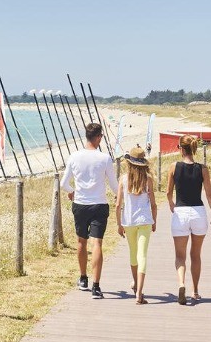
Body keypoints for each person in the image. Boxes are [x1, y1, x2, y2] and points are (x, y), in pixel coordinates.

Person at [60, 122, 118, 299]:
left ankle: (83, 278)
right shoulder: (105, 158)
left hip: (80, 204)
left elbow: (63, 184)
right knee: (97, 244)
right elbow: (114, 186)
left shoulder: (74, 156)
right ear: (99, 137)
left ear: (87, 136)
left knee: (81, 242)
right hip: (99, 204)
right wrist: (121, 197)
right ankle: (96, 286)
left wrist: (72, 191)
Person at [165, 135, 211, 305]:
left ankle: (181, 283)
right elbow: (209, 194)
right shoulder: (203, 169)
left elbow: (168, 192)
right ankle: (195, 291)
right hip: (198, 213)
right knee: (196, 255)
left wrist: (171, 204)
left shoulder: (174, 167)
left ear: (181, 148)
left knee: (180, 256)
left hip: (181, 212)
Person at [115, 146, 156, 304]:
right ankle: (139, 292)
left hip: (129, 221)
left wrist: (119, 225)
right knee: (142, 255)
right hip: (145, 221)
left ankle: (136, 285)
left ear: (129, 163)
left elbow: (118, 205)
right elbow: (153, 204)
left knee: (133, 253)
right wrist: (154, 221)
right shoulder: (148, 179)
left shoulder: (123, 179)